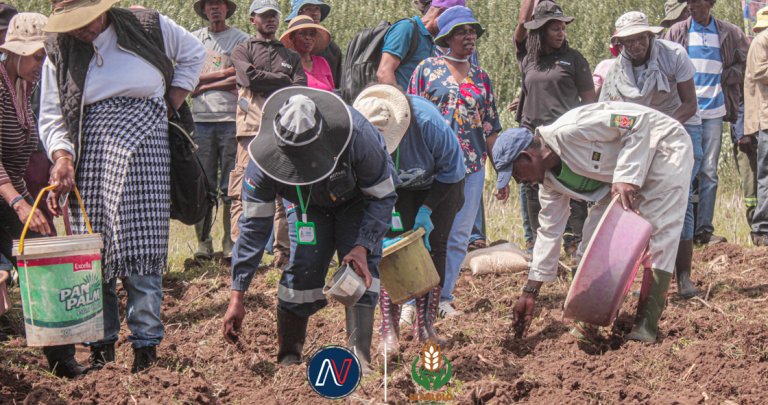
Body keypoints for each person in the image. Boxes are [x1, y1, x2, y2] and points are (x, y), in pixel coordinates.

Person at [41, 0, 206, 373]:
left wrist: (173, 99)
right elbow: (52, 113)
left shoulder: (146, 23)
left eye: (87, 21)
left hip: (147, 144)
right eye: (73, 24)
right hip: (91, 151)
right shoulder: (59, 46)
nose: (82, 30)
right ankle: (101, 349)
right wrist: (63, 157)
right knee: (94, 254)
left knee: (142, 253)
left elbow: (195, 53)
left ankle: (146, 349)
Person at [222, 88, 398, 375]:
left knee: (359, 272)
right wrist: (237, 296)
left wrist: (363, 245)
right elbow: (253, 228)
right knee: (304, 268)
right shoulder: (261, 163)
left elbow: (383, 197)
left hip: (356, 200)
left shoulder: (358, 136)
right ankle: (289, 359)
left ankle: (360, 359)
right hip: (306, 205)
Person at [497, 102, 693, 344]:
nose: (519, 182)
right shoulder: (548, 184)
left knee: (660, 231)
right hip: (621, 177)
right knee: (592, 238)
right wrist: (530, 291)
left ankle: (646, 325)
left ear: (526, 157)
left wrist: (625, 176)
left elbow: (636, 123)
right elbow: (549, 232)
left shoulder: (574, 128)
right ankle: (588, 319)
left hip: (663, 146)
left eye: (516, 174)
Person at [406, 6, 502, 322]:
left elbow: (490, 127)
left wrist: (501, 168)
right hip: (429, 166)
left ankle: (442, 299)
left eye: (472, 30)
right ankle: (412, 299)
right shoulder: (427, 70)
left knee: (458, 236)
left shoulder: (482, 78)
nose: (469, 36)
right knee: (420, 231)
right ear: (447, 36)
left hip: (471, 167)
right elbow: (410, 115)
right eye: (462, 31)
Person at [354, 84, 464, 350]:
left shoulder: (428, 124)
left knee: (434, 246)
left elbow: (451, 170)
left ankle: (425, 326)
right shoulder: (356, 131)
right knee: (391, 249)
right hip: (395, 189)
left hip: (438, 183)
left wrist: (426, 210)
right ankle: (388, 329)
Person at [599, 11, 700, 299]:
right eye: (628, 41)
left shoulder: (674, 55)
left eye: (640, 38)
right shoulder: (615, 73)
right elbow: (609, 115)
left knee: (681, 198)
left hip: (679, 125)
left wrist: (660, 130)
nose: (636, 45)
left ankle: (683, 275)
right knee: (639, 199)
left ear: (650, 36)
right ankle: (636, 275)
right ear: (620, 44)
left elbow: (690, 104)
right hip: (640, 134)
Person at [0, 12, 78, 378]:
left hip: (13, 196)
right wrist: (18, 203)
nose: (41, 64)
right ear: (13, 53)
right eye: (35, 56)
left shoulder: (26, 88)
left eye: (46, 56)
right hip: (6, 198)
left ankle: (62, 360)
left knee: (45, 263)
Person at [514, 0, 596, 258]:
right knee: (532, 188)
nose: (561, 33)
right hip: (532, 135)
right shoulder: (528, 58)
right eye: (555, 29)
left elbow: (590, 103)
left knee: (573, 189)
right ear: (540, 31)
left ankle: (576, 244)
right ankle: (537, 245)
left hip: (565, 136)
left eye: (563, 28)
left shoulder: (574, 59)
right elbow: (520, 29)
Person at [664, 0, 749, 247]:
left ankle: (703, 231)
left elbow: (747, 63)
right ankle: (681, 232)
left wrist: (724, 76)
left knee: (709, 171)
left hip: (713, 110)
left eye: (697, 2)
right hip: (683, 110)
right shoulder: (678, 31)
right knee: (683, 170)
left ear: (710, 3)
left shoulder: (730, 32)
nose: (691, 6)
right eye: (689, 2)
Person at [227, 0, 307, 260]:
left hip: (283, 131)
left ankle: (282, 252)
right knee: (242, 190)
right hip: (250, 130)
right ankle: (243, 251)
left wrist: (269, 81)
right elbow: (248, 79)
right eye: (264, 16)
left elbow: (299, 88)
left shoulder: (291, 55)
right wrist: (282, 81)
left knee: (283, 191)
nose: (270, 20)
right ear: (252, 20)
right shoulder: (242, 49)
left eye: (274, 15)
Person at [190, 0, 250, 260]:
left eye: (219, 4)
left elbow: (242, 76)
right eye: (210, 4)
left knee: (230, 184)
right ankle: (204, 244)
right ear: (204, 10)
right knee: (203, 184)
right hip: (200, 121)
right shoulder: (193, 40)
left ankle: (229, 241)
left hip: (230, 120)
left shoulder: (241, 40)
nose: (215, 8)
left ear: (227, 9)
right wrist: (221, 76)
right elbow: (187, 79)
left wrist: (202, 84)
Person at [377, 0, 452, 90]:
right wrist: (400, 102)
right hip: (398, 101)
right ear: (440, 13)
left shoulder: (431, 41)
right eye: (450, 23)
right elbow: (384, 72)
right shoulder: (406, 27)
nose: (451, 30)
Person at [745, 8, 768, 246]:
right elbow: (761, 73)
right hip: (766, 119)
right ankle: (762, 229)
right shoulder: (763, 41)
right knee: (766, 176)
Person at [284, 0, 341, 89]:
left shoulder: (332, 51)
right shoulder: (285, 60)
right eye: (308, 9)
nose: (315, 13)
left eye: (317, 9)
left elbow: (334, 89)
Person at [280, 16, 334, 91]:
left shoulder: (322, 62)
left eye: (312, 34)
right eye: (302, 34)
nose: (308, 38)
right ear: (292, 38)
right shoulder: (287, 65)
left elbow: (333, 92)